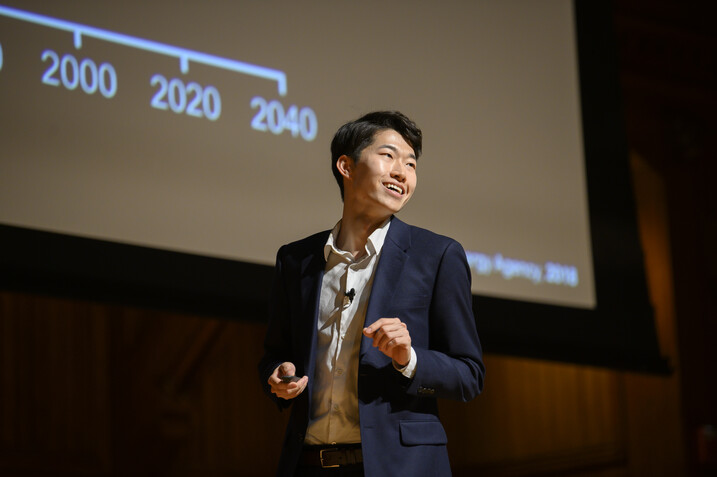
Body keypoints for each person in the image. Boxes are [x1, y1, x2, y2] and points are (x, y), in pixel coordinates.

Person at [259, 111, 484, 477]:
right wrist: (278, 376)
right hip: (307, 463)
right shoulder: (296, 259)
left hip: (399, 466)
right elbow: (275, 355)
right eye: (389, 156)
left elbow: (469, 374)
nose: (402, 172)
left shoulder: (437, 255)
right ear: (346, 166)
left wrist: (408, 358)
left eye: (411, 164)